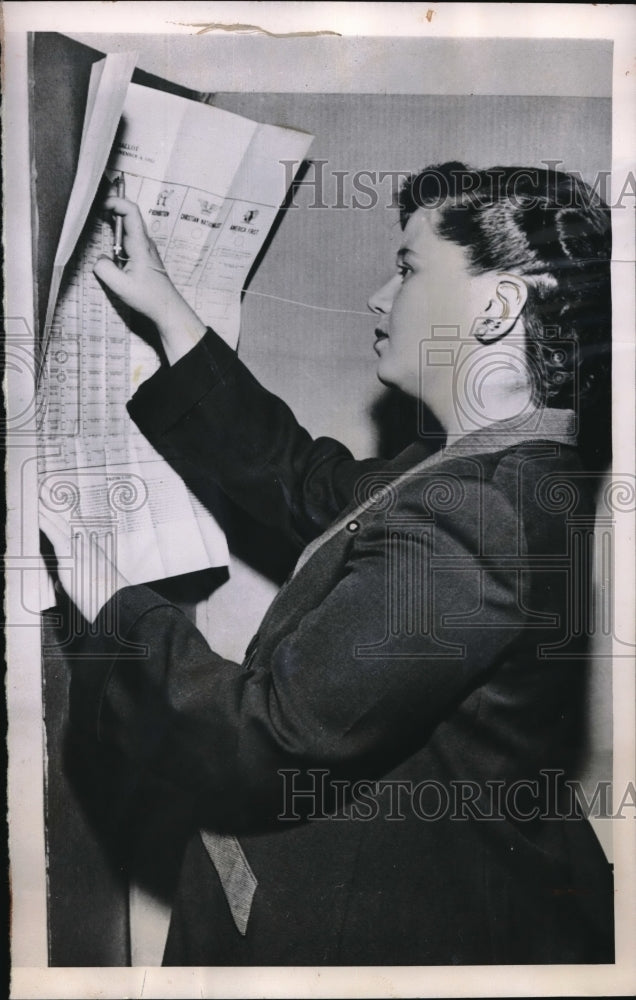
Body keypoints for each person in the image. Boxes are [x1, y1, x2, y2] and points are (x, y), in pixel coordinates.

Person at [41, 162, 614, 965]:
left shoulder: (480, 512)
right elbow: (312, 485)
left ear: (497, 306)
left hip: (363, 929)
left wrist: (91, 573)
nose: (381, 294)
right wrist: (172, 313)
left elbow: (261, 739)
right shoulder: (499, 467)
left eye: (410, 267)